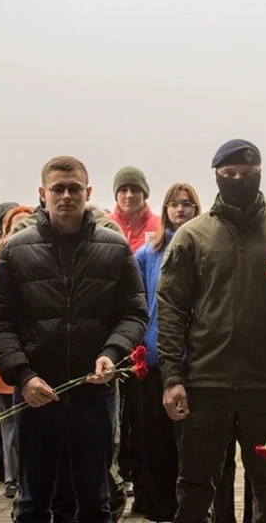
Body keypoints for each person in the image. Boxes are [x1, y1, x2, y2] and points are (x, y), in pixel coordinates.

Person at [157, 139, 266, 523]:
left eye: (246, 175)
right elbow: (171, 310)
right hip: (204, 385)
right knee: (195, 491)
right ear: (216, 177)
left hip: (265, 386)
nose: (237, 180)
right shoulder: (192, 238)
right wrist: (170, 378)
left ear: (260, 174)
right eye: (229, 175)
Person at [0, 155, 148, 523]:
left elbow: (134, 312)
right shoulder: (15, 250)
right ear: (43, 194)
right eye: (58, 189)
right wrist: (23, 376)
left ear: (88, 192)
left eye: (75, 189)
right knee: (33, 502)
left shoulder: (114, 247)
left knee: (95, 499)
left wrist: (113, 352)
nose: (67, 197)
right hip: (36, 397)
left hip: (94, 393)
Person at [134, 182, 202, 523]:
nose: (180, 210)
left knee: (191, 442)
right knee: (156, 439)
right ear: (165, 210)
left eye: (187, 204)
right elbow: (134, 299)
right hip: (155, 356)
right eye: (174, 204)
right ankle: (159, 507)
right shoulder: (149, 253)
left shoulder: (204, 247)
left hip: (196, 360)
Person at [107, 166, 159, 512]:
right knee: (116, 418)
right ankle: (116, 476)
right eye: (123, 190)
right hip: (113, 335)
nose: (129, 195)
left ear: (145, 194)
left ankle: (144, 486)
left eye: (135, 190)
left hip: (147, 339)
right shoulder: (104, 227)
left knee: (143, 421)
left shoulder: (158, 230)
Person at [0, 204, 34, 499]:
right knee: (9, 418)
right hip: (8, 353)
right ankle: (13, 476)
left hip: (36, 355)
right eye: (16, 225)